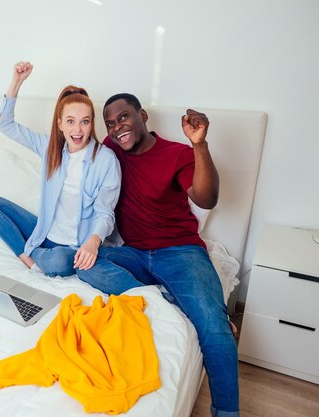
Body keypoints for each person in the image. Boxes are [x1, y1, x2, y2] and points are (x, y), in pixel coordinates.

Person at [77, 93, 239, 417]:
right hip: (133, 253)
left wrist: (200, 144)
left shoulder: (177, 154)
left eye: (123, 117)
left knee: (213, 324)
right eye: (110, 123)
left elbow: (207, 199)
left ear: (142, 115)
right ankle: (164, 296)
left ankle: (226, 412)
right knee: (86, 265)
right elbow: (73, 149)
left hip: (180, 252)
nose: (117, 127)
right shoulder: (110, 152)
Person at [0, 62, 121, 277]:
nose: (77, 129)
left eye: (84, 122)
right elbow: (5, 124)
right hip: (45, 233)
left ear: (92, 123)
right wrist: (16, 83)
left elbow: (105, 212)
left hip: (75, 247)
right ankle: (27, 256)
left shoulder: (105, 159)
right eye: (70, 121)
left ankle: (38, 255)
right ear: (60, 124)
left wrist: (93, 241)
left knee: (59, 261)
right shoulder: (49, 148)